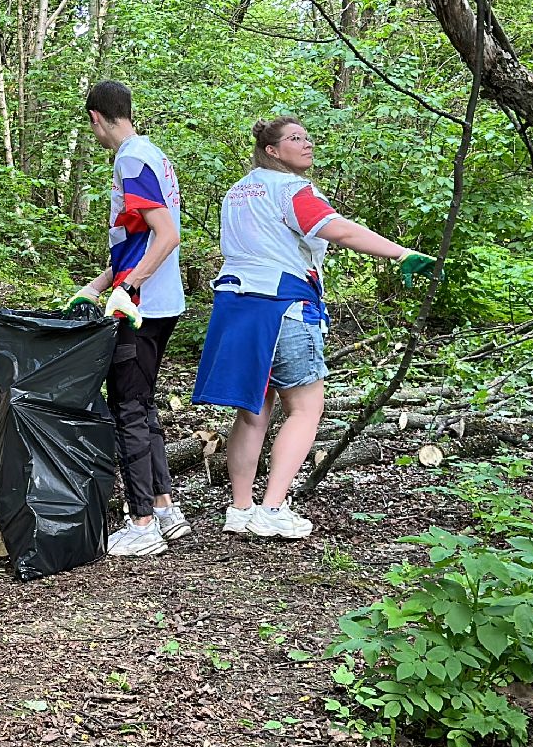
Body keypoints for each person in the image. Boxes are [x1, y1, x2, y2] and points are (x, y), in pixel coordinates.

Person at [191, 116, 435, 539]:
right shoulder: (290, 189)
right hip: (281, 304)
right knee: (305, 408)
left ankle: (241, 508)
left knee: (252, 410)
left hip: (235, 305)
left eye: (307, 137)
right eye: (295, 139)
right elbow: (336, 229)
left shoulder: (238, 191)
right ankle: (272, 508)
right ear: (272, 150)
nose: (306, 144)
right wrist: (400, 253)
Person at [68, 80, 190, 557]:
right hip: (157, 301)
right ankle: (163, 507)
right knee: (140, 405)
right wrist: (98, 285)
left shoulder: (130, 159)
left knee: (126, 409)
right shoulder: (152, 154)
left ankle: (141, 522)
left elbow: (165, 235)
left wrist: (129, 286)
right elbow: (138, 238)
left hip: (141, 308)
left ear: (97, 118)